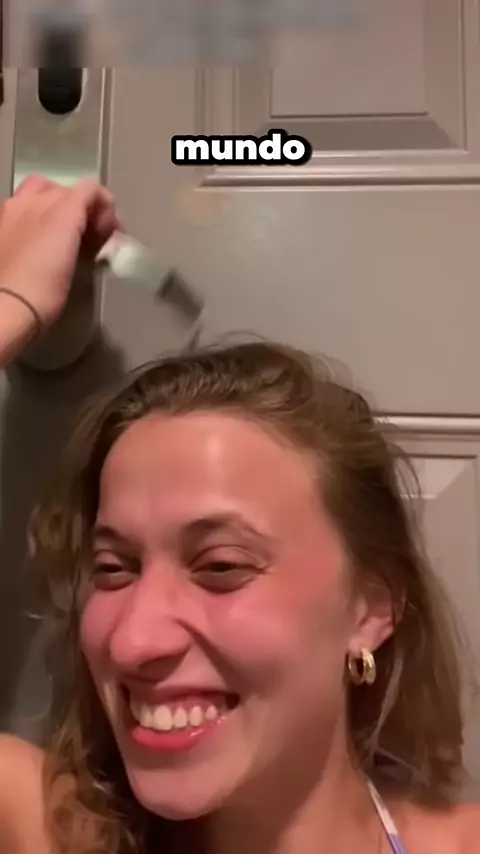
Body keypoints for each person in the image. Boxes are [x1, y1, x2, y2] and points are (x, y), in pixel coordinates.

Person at [0, 176, 478, 854]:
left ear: (370, 608)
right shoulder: (48, 832)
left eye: (221, 566)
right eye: (113, 568)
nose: (134, 640)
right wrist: (10, 300)